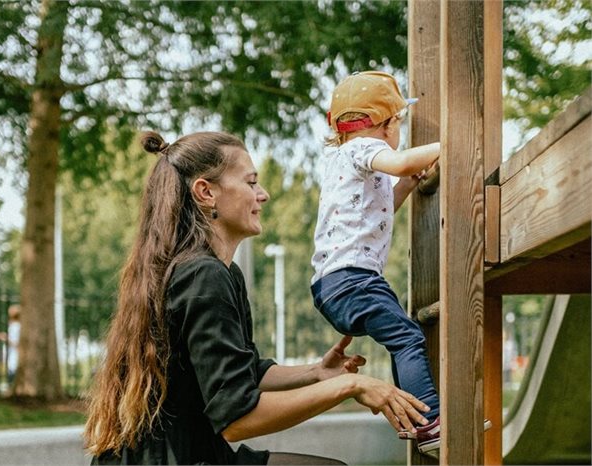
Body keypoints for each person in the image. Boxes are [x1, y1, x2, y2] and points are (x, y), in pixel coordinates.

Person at [84, 130, 430, 465]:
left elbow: (241, 371)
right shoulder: (204, 275)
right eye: (250, 182)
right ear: (205, 192)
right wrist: (351, 386)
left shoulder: (221, 273)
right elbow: (238, 418)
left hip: (197, 454)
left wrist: (316, 373)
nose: (262, 194)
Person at [311, 71, 489, 455]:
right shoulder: (361, 149)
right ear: (386, 124)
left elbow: (380, 212)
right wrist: (454, 143)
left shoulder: (343, 161)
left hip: (333, 284)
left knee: (400, 339)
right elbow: (403, 160)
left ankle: (418, 423)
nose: (398, 135)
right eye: (398, 125)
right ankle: (430, 423)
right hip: (351, 279)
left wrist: (408, 184)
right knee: (409, 337)